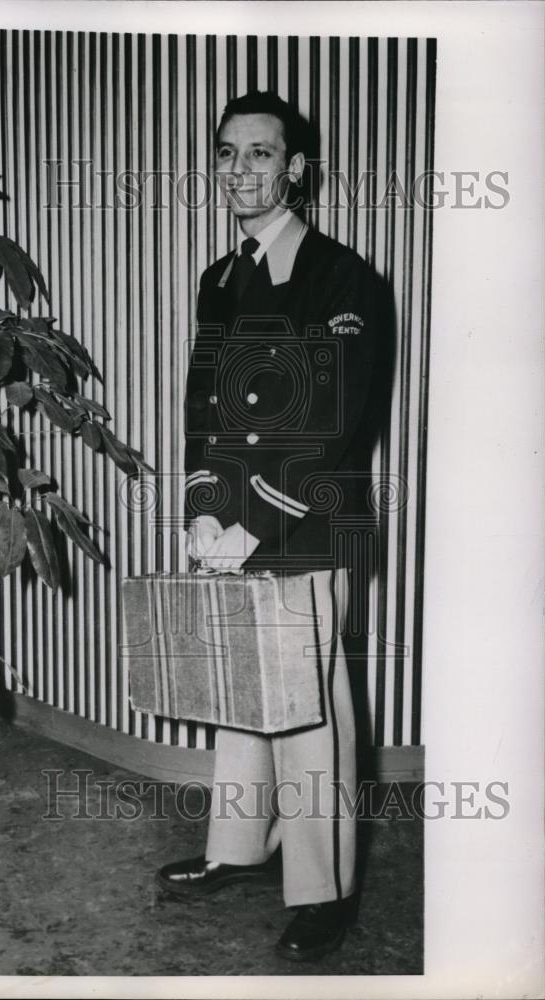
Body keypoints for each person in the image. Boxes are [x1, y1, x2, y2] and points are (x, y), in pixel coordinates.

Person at [156, 90, 389, 963]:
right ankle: (240, 849)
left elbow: (335, 417)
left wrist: (251, 519)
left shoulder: (344, 277)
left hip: (307, 522)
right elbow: (203, 407)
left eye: (260, 154)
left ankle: (324, 888)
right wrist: (205, 507)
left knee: (311, 710)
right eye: (227, 153)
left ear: (296, 169)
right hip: (236, 526)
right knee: (243, 694)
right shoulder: (224, 277)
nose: (239, 170)